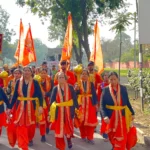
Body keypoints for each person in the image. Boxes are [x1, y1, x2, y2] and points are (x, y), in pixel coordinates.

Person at [7, 66, 43, 150]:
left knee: (31, 127)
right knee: (21, 126)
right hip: (20, 107)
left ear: (31, 72)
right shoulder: (18, 82)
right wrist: (9, 107)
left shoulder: (35, 82)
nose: (26, 72)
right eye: (25, 70)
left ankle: (29, 138)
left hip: (31, 106)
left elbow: (40, 95)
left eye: (28, 70)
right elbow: (15, 95)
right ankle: (23, 146)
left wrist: (40, 106)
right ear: (23, 72)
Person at [100, 71, 135, 150]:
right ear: (108, 80)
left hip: (122, 116)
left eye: (115, 79)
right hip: (111, 117)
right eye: (111, 79)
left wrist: (132, 113)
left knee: (122, 138)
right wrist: (105, 116)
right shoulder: (105, 90)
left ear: (118, 79)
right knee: (112, 137)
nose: (113, 81)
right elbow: (102, 105)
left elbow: (127, 102)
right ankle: (114, 147)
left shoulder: (123, 88)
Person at [49, 71, 78, 150]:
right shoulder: (55, 88)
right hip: (58, 112)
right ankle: (61, 146)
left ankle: (69, 140)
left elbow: (74, 99)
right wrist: (50, 113)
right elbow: (51, 101)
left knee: (68, 128)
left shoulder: (70, 87)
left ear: (65, 78)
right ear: (57, 79)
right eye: (59, 77)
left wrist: (76, 109)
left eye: (62, 77)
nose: (61, 78)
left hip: (69, 111)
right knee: (59, 130)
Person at [75, 69, 98, 144]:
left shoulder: (91, 84)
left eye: (86, 74)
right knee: (81, 121)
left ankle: (90, 137)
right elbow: (75, 94)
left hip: (90, 105)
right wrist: (76, 90)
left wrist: (95, 104)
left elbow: (94, 94)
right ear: (80, 75)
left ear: (88, 76)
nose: (84, 76)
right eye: (83, 74)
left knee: (90, 122)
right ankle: (83, 135)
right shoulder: (77, 84)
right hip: (81, 104)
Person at [97, 71, 109, 141]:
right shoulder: (100, 85)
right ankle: (105, 134)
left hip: (111, 106)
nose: (106, 77)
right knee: (104, 120)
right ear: (103, 77)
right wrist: (98, 105)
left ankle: (109, 133)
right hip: (103, 106)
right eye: (105, 75)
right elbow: (98, 96)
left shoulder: (111, 84)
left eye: (107, 75)